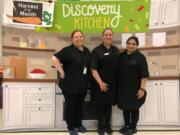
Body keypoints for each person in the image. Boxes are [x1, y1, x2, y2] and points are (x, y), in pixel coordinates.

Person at [51, 30, 90, 135]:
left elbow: (87, 66)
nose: (79, 38)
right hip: (70, 85)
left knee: (79, 106)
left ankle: (78, 125)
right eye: (76, 37)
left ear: (83, 38)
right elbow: (54, 58)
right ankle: (71, 127)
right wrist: (61, 72)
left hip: (82, 85)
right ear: (72, 39)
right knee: (71, 107)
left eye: (80, 36)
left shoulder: (86, 51)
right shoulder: (68, 50)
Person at [117, 36, 149, 135]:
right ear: (126, 44)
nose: (131, 45)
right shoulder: (121, 56)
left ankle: (133, 127)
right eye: (129, 43)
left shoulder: (140, 57)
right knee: (125, 107)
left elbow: (144, 75)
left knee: (134, 107)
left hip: (135, 88)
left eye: (133, 44)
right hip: (123, 88)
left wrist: (142, 89)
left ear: (137, 46)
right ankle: (127, 125)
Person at [90, 28, 119, 135]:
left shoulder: (115, 50)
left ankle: (108, 125)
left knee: (108, 105)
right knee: (100, 106)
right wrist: (101, 83)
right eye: (106, 35)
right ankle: (100, 126)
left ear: (112, 36)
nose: (108, 37)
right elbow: (93, 69)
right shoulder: (96, 51)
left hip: (112, 84)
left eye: (110, 35)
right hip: (99, 83)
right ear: (102, 36)